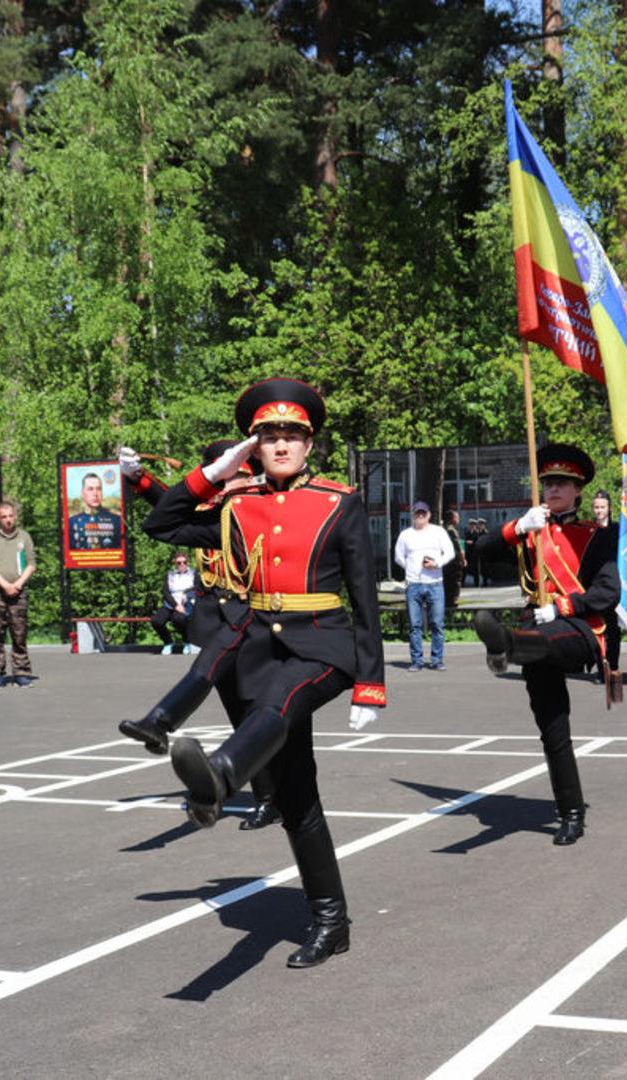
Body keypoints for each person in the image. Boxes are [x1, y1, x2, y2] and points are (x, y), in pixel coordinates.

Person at [161, 378, 386, 968]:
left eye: (291, 435)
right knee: (297, 795)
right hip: (263, 649)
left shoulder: (340, 502)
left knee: (281, 701)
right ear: (254, 446)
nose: (281, 445)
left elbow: (364, 595)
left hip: (324, 649)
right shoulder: (237, 502)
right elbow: (163, 524)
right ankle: (330, 920)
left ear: (309, 445)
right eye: (268, 436)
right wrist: (216, 473)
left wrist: (371, 681)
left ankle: (221, 776)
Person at [118, 440, 280, 831]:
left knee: (254, 710)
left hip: (253, 616)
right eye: (220, 480)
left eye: (233, 478)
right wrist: (138, 478)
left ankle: (269, 794)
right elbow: (166, 510)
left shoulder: (257, 505)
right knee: (237, 710)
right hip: (216, 617)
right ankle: (260, 792)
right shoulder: (213, 511)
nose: (227, 487)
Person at [471, 444, 618, 845]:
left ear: (577, 491)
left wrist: (564, 605)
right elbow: (477, 555)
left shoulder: (597, 537)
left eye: (562, 483)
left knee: (547, 639)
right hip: (536, 634)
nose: (553, 489)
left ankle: (504, 646)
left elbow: (609, 592)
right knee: (553, 730)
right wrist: (515, 529)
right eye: (548, 482)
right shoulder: (530, 531)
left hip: (580, 631)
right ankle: (571, 813)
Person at [0, 498, 37, 689]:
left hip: (18, 591)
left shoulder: (24, 537)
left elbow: (31, 564)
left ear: (16, 516)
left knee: (19, 633)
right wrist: (5, 585)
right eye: (4, 517)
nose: (8, 520)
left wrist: (18, 584)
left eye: (11, 516)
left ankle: (21, 673)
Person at [394, 501, 455, 672]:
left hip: (435, 584)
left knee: (437, 623)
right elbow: (399, 557)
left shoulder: (438, 532)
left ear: (429, 515)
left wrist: (437, 563)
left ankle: (436, 660)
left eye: (423, 513)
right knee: (415, 625)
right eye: (417, 513)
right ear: (412, 515)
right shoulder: (406, 535)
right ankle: (417, 661)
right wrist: (411, 568)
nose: (420, 516)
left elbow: (450, 552)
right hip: (413, 584)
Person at [590, 491, 623, 684]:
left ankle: (613, 666)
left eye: (602, 507)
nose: (599, 511)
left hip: (613, 586)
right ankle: (601, 668)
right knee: (596, 630)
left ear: (609, 508)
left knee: (612, 630)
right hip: (594, 586)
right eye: (596, 507)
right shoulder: (589, 530)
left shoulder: (618, 530)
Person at [150, 551, 197, 654]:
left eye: (184, 562)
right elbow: (166, 592)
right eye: (179, 563)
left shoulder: (194, 573)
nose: (182, 565)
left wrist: (187, 594)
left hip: (186, 604)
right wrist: (175, 605)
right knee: (156, 621)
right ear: (175, 563)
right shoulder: (170, 575)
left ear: (187, 562)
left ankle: (186, 642)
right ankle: (168, 642)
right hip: (171, 605)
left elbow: (197, 588)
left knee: (178, 619)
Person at [67, 471, 123, 550]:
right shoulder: (72, 522)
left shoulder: (116, 520)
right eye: (90, 489)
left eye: (99, 489)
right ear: (83, 493)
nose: (95, 493)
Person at [443, 508, 466, 611]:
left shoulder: (442, 528)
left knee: (447, 582)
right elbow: (457, 547)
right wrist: (463, 559)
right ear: (452, 518)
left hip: (445, 561)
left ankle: (448, 601)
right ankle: (453, 601)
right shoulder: (451, 530)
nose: (458, 519)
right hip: (453, 561)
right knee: (455, 581)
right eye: (457, 517)